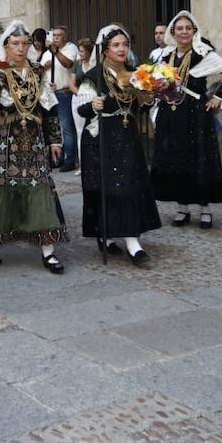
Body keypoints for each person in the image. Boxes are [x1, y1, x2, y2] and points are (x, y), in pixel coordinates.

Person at [0, 20, 67, 272]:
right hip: (0, 141)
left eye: (24, 44)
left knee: (40, 188)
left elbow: (50, 109)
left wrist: (54, 140)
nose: (20, 49)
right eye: (15, 44)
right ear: (6, 46)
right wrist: (0, 73)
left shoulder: (38, 71)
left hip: (33, 141)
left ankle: (48, 250)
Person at [77, 24, 161, 263]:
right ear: (105, 49)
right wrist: (93, 105)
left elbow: (140, 107)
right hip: (101, 138)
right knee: (109, 187)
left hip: (127, 136)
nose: (122, 49)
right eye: (116, 45)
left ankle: (131, 239)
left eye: (125, 44)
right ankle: (108, 235)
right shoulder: (94, 76)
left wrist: (149, 96)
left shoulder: (136, 74)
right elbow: (81, 110)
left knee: (129, 186)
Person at [149, 10, 222, 227]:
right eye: (180, 28)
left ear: (194, 31)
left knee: (199, 158)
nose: (184, 32)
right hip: (170, 112)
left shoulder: (203, 52)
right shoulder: (164, 55)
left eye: (188, 28)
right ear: (173, 32)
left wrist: (217, 97)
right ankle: (182, 207)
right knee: (175, 158)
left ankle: (205, 208)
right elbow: (156, 80)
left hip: (195, 113)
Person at [38, 26, 80, 171]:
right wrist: (45, 67)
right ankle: (58, 158)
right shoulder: (47, 53)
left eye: (58, 35)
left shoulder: (70, 48)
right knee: (54, 127)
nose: (55, 38)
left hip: (64, 92)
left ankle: (70, 159)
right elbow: (39, 70)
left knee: (67, 127)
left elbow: (69, 64)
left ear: (65, 37)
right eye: (53, 35)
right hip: (50, 94)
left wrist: (56, 52)